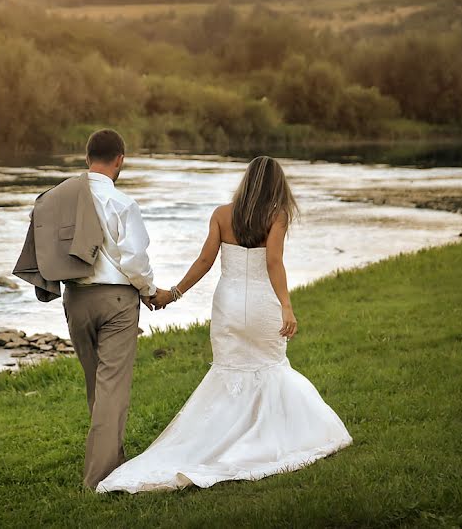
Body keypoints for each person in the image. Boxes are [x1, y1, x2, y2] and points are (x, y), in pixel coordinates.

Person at [96, 155, 353, 493]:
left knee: (230, 370)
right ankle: (261, 435)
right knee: (269, 367)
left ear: (246, 181)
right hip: (262, 305)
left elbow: (205, 260)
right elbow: (274, 262)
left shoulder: (221, 214)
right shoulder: (277, 216)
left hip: (228, 305)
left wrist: (172, 294)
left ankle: (220, 435)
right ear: (277, 185)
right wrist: (287, 307)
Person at [13, 128, 169, 490]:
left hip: (76, 299)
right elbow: (134, 260)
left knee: (96, 385)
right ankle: (100, 478)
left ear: (87, 158)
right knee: (112, 387)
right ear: (120, 160)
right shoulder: (123, 204)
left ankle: (111, 459)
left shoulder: (58, 198)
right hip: (116, 301)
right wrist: (149, 291)